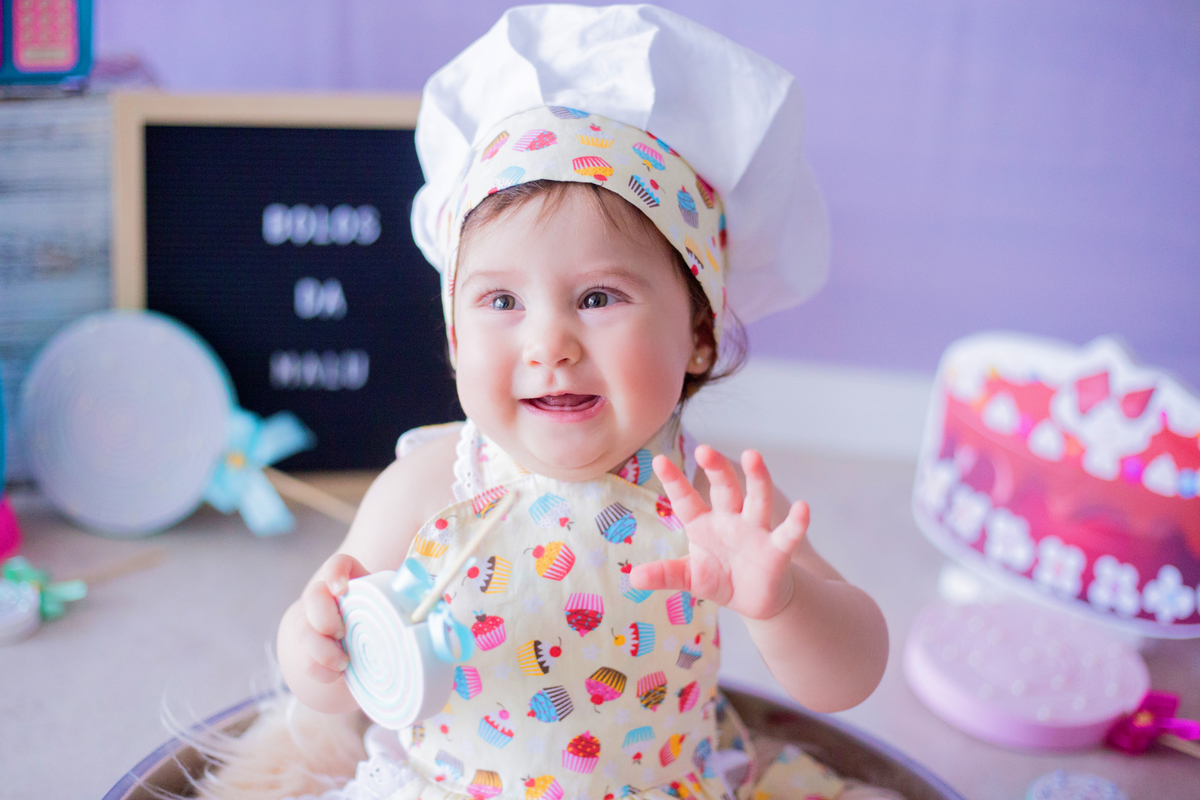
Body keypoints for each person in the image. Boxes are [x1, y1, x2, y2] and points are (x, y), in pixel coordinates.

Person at [271, 6, 888, 799]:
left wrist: (784, 603)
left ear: (698, 335)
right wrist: (313, 646)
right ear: (457, 338)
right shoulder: (431, 488)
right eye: (501, 302)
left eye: (598, 296)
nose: (548, 343)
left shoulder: (711, 501)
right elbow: (338, 682)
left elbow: (851, 675)